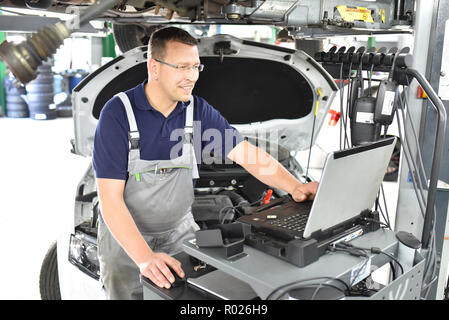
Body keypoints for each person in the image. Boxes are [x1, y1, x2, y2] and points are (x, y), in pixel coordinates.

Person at [93, 26, 318, 300]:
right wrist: (144, 258)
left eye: (196, 67)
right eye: (182, 67)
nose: (191, 77)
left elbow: (249, 155)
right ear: (154, 67)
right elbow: (110, 199)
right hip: (126, 241)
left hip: (180, 230)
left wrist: (295, 187)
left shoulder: (196, 110)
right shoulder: (118, 114)